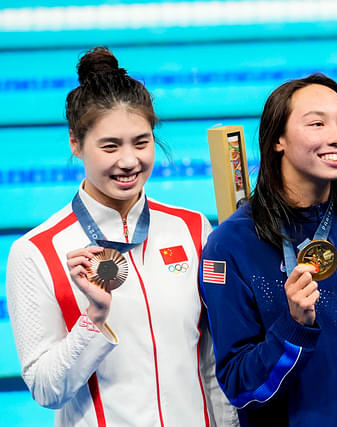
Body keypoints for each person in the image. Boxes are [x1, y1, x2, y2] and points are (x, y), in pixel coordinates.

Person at [6, 47, 237, 426]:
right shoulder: (36, 252)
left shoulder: (192, 228)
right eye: (110, 146)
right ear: (75, 144)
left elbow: (212, 362)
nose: (129, 161)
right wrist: (94, 317)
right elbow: (47, 390)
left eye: (141, 142)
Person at [199, 74, 337, 426]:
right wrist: (293, 326)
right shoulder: (233, 245)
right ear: (278, 139)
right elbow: (239, 387)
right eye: (317, 123)